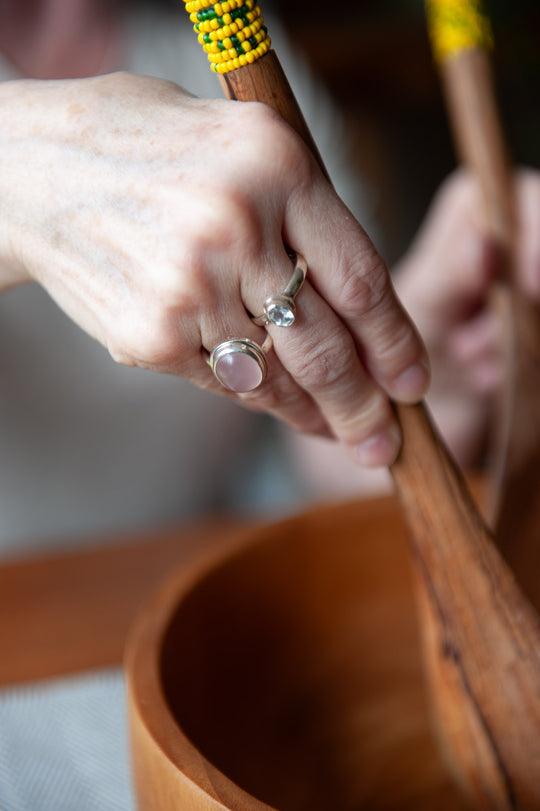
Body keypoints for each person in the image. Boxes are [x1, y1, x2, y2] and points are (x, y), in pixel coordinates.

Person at [0, 1, 539, 809]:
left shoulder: (222, 33)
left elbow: (305, 447)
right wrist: (21, 171)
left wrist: (412, 370)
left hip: (201, 597)